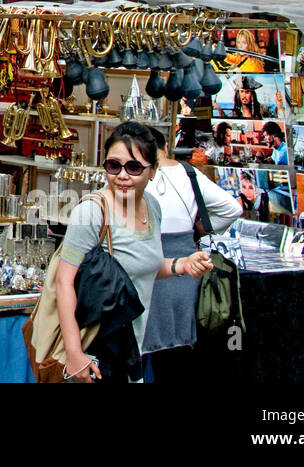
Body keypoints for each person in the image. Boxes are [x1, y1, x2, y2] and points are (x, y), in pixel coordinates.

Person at [55, 122, 213, 382]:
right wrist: (74, 355)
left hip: (130, 351)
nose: (122, 175)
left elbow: (142, 266)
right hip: (94, 354)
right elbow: (64, 281)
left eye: (134, 167)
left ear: (153, 171)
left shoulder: (153, 208)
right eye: (113, 166)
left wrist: (181, 265)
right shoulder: (92, 212)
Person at [140, 130, 243, 382]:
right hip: (186, 273)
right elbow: (233, 208)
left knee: (139, 350)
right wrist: (201, 228)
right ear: (167, 146)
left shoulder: (133, 174)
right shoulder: (188, 172)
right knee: (178, 356)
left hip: (146, 267)